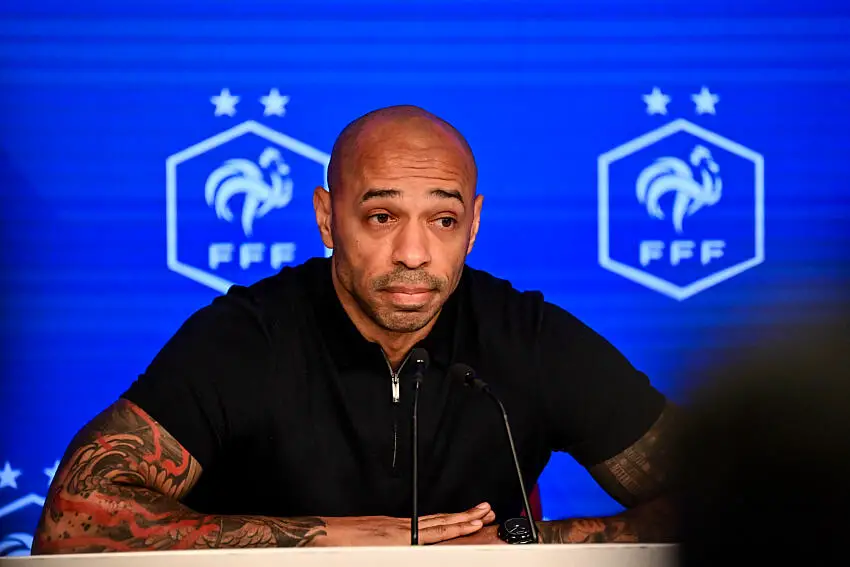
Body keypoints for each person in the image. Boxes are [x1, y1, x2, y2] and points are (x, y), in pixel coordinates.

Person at [33, 105, 679, 553]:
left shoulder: (527, 335)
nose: (414, 254)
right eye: (381, 217)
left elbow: (720, 493)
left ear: (474, 224)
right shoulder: (245, 337)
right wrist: (328, 538)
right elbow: (70, 524)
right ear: (327, 217)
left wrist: (521, 542)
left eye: (444, 221)